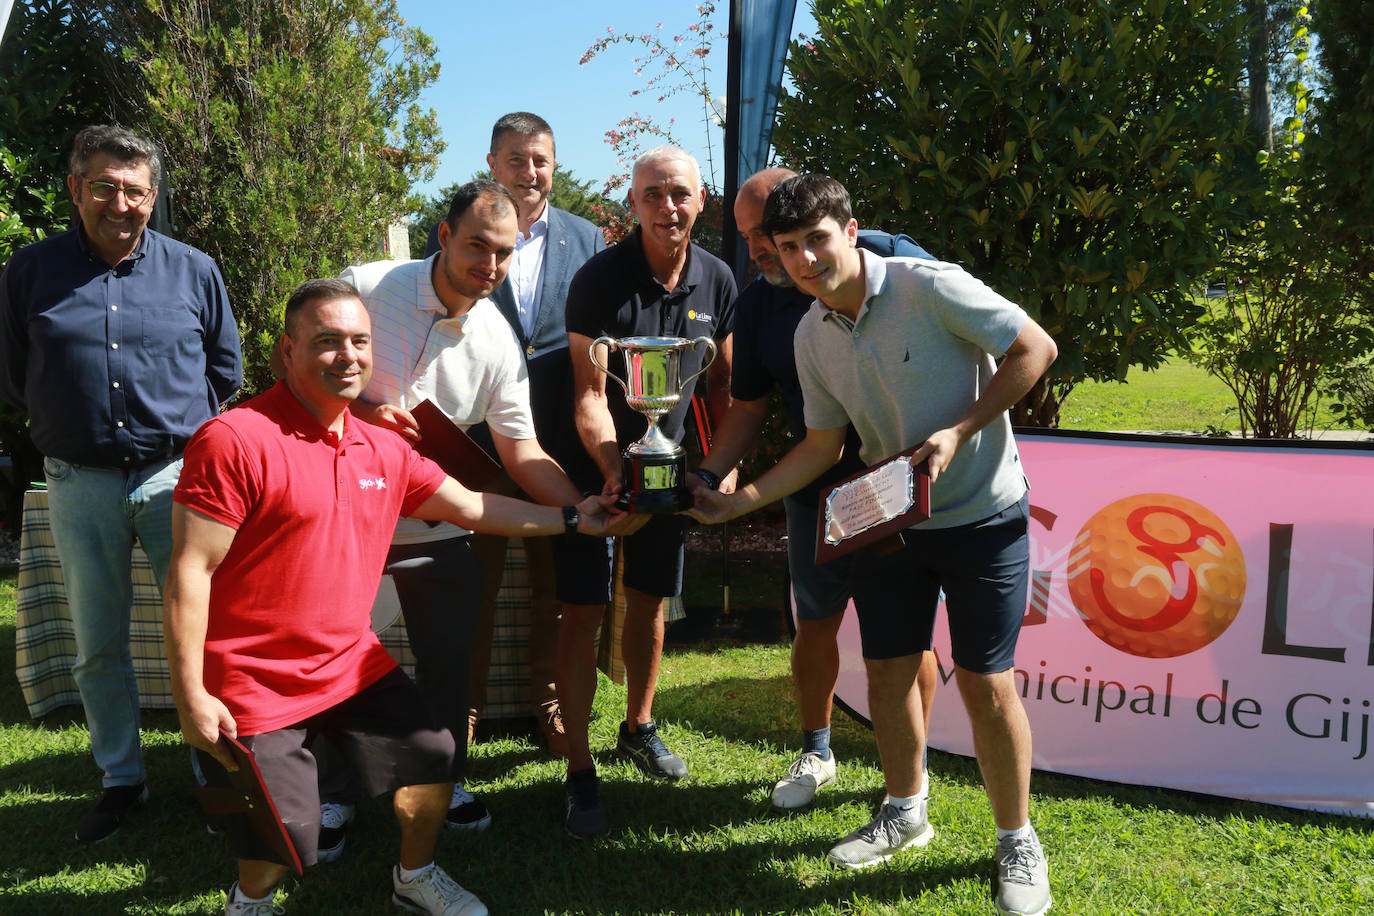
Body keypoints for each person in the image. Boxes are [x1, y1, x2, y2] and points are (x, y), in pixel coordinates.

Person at [162, 279, 630, 916]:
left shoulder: (382, 447)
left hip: (350, 666)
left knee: (434, 753)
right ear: (285, 353)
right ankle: (248, 902)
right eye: (326, 342)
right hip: (253, 678)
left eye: (359, 341)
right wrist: (192, 693)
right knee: (288, 842)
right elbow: (191, 570)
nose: (348, 356)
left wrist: (575, 518)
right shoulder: (234, 438)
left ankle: (414, 877)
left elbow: (472, 507)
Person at [689, 175, 1057, 916]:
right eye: (787, 248)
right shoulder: (809, 335)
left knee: (987, 684)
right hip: (895, 526)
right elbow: (823, 447)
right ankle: (904, 811)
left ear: (851, 231)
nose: (804, 260)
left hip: (986, 517)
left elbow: (1035, 348)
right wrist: (743, 502)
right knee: (887, 676)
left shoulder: (930, 285)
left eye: (816, 240)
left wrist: (960, 429)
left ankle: (1017, 839)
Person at [320, 179, 616, 853]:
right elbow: (300, 375)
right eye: (477, 244)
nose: (489, 263)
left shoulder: (497, 338)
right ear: (444, 235)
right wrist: (363, 413)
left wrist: (582, 507)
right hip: (342, 523)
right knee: (333, 661)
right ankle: (332, 794)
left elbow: (522, 452)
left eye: (504, 252)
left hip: (441, 522)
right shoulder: (365, 286)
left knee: (450, 664)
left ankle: (445, 777)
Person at [0, 124, 242, 844]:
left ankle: (212, 767)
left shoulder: (194, 270)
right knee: (98, 642)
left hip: (178, 476)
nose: (120, 203)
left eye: (135, 190)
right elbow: (15, 375)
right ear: (75, 189)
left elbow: (222, 372)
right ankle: (121, 777)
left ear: (153, 196)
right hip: (79, 481)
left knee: (200, 632)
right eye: (103, 186)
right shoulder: (27, 272)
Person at [688, 167, 942, 813]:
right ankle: (816, 748)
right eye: (751, 238)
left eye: (765, 235)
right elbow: (747, 408)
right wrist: (710, 475)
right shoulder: (760, 301)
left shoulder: (894, 258)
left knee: (911, 637)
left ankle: (914, 764)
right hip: (817, 485)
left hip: (906, 487)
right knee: (815, 623)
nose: (760, 251)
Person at [557, 145, 735, 838]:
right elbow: (587, 395)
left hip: (669, 469)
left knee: (651, 601)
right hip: (594, 467)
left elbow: (724, 389)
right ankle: (578, 772)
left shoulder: (718, 279)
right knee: (582, 609)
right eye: (654, 194)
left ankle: (638, 724)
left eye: (680, 194)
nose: (669, 207)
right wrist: (610, 466)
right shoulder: (599, 279)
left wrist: (718, 467)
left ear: (699, 201)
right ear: (632, 204)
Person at [461, 113, 607, 760]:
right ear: (492, 163)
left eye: (540, 160)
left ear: (554, 163)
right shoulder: (467, 230)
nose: (530, 172)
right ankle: (464, 709)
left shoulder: (588, 239)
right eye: (516, 159)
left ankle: (546, 703)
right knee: (474, 583)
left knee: (555, 585)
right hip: (478, 444)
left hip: (557, 446)